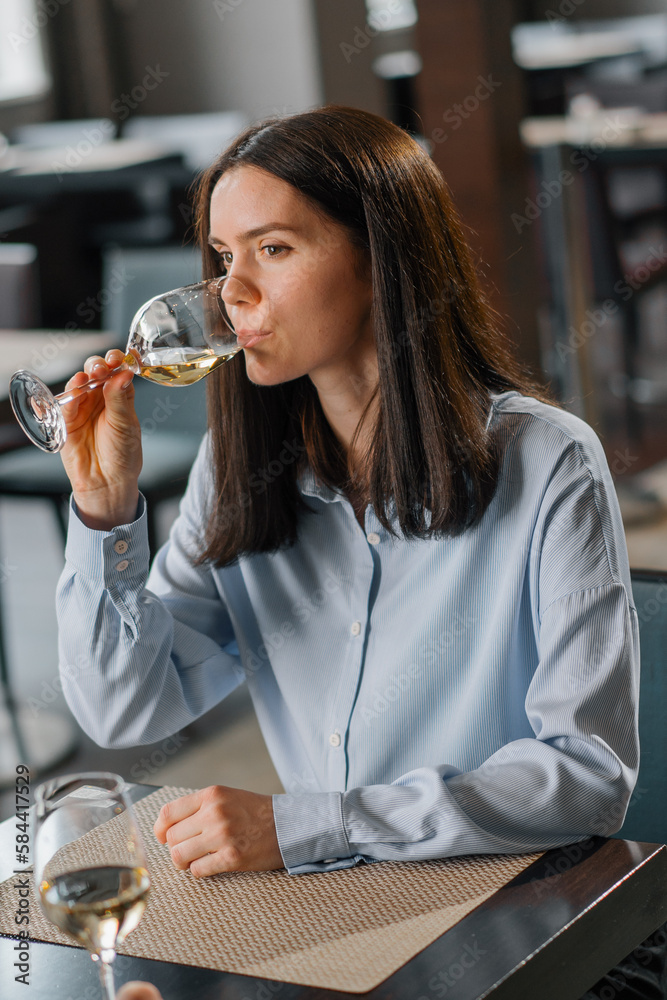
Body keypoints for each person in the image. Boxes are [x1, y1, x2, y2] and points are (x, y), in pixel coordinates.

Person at [55, 105, 639, 880]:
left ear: (380, 259)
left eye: (273, 248)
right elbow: (126, 711)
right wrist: (105, 511)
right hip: (326, 898)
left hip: (510, 904)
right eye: (224, 257)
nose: (234, 292)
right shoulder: (236, 471)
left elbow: (586, 777)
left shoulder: (547, 461)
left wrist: (308, 823)